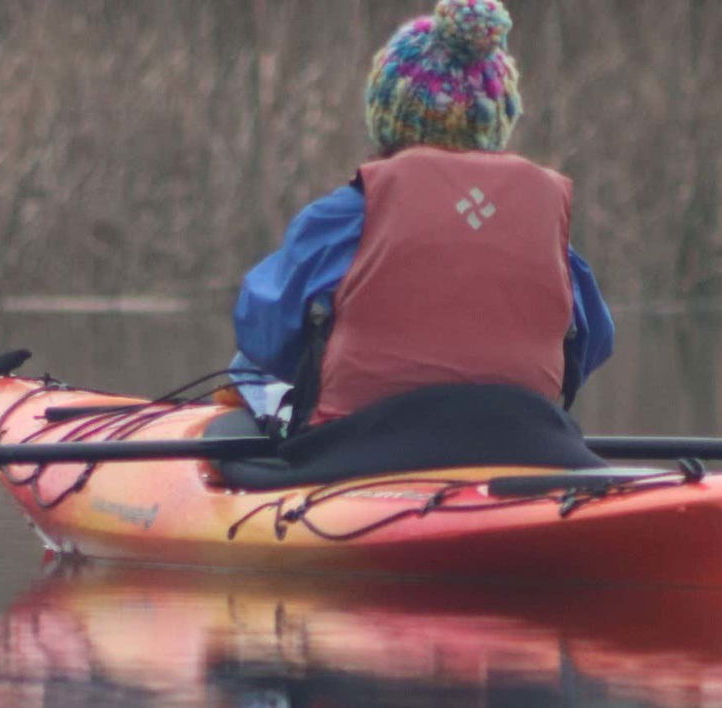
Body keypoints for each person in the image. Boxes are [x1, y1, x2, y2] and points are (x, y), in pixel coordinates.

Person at [229, 0, 614, 474]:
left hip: (361, 451)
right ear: (497, 122)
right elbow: (593, 342)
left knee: (244, 372)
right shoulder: (546, 231)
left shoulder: (345, 216)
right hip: (529, 444)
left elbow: (263, 329)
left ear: (387, 116)